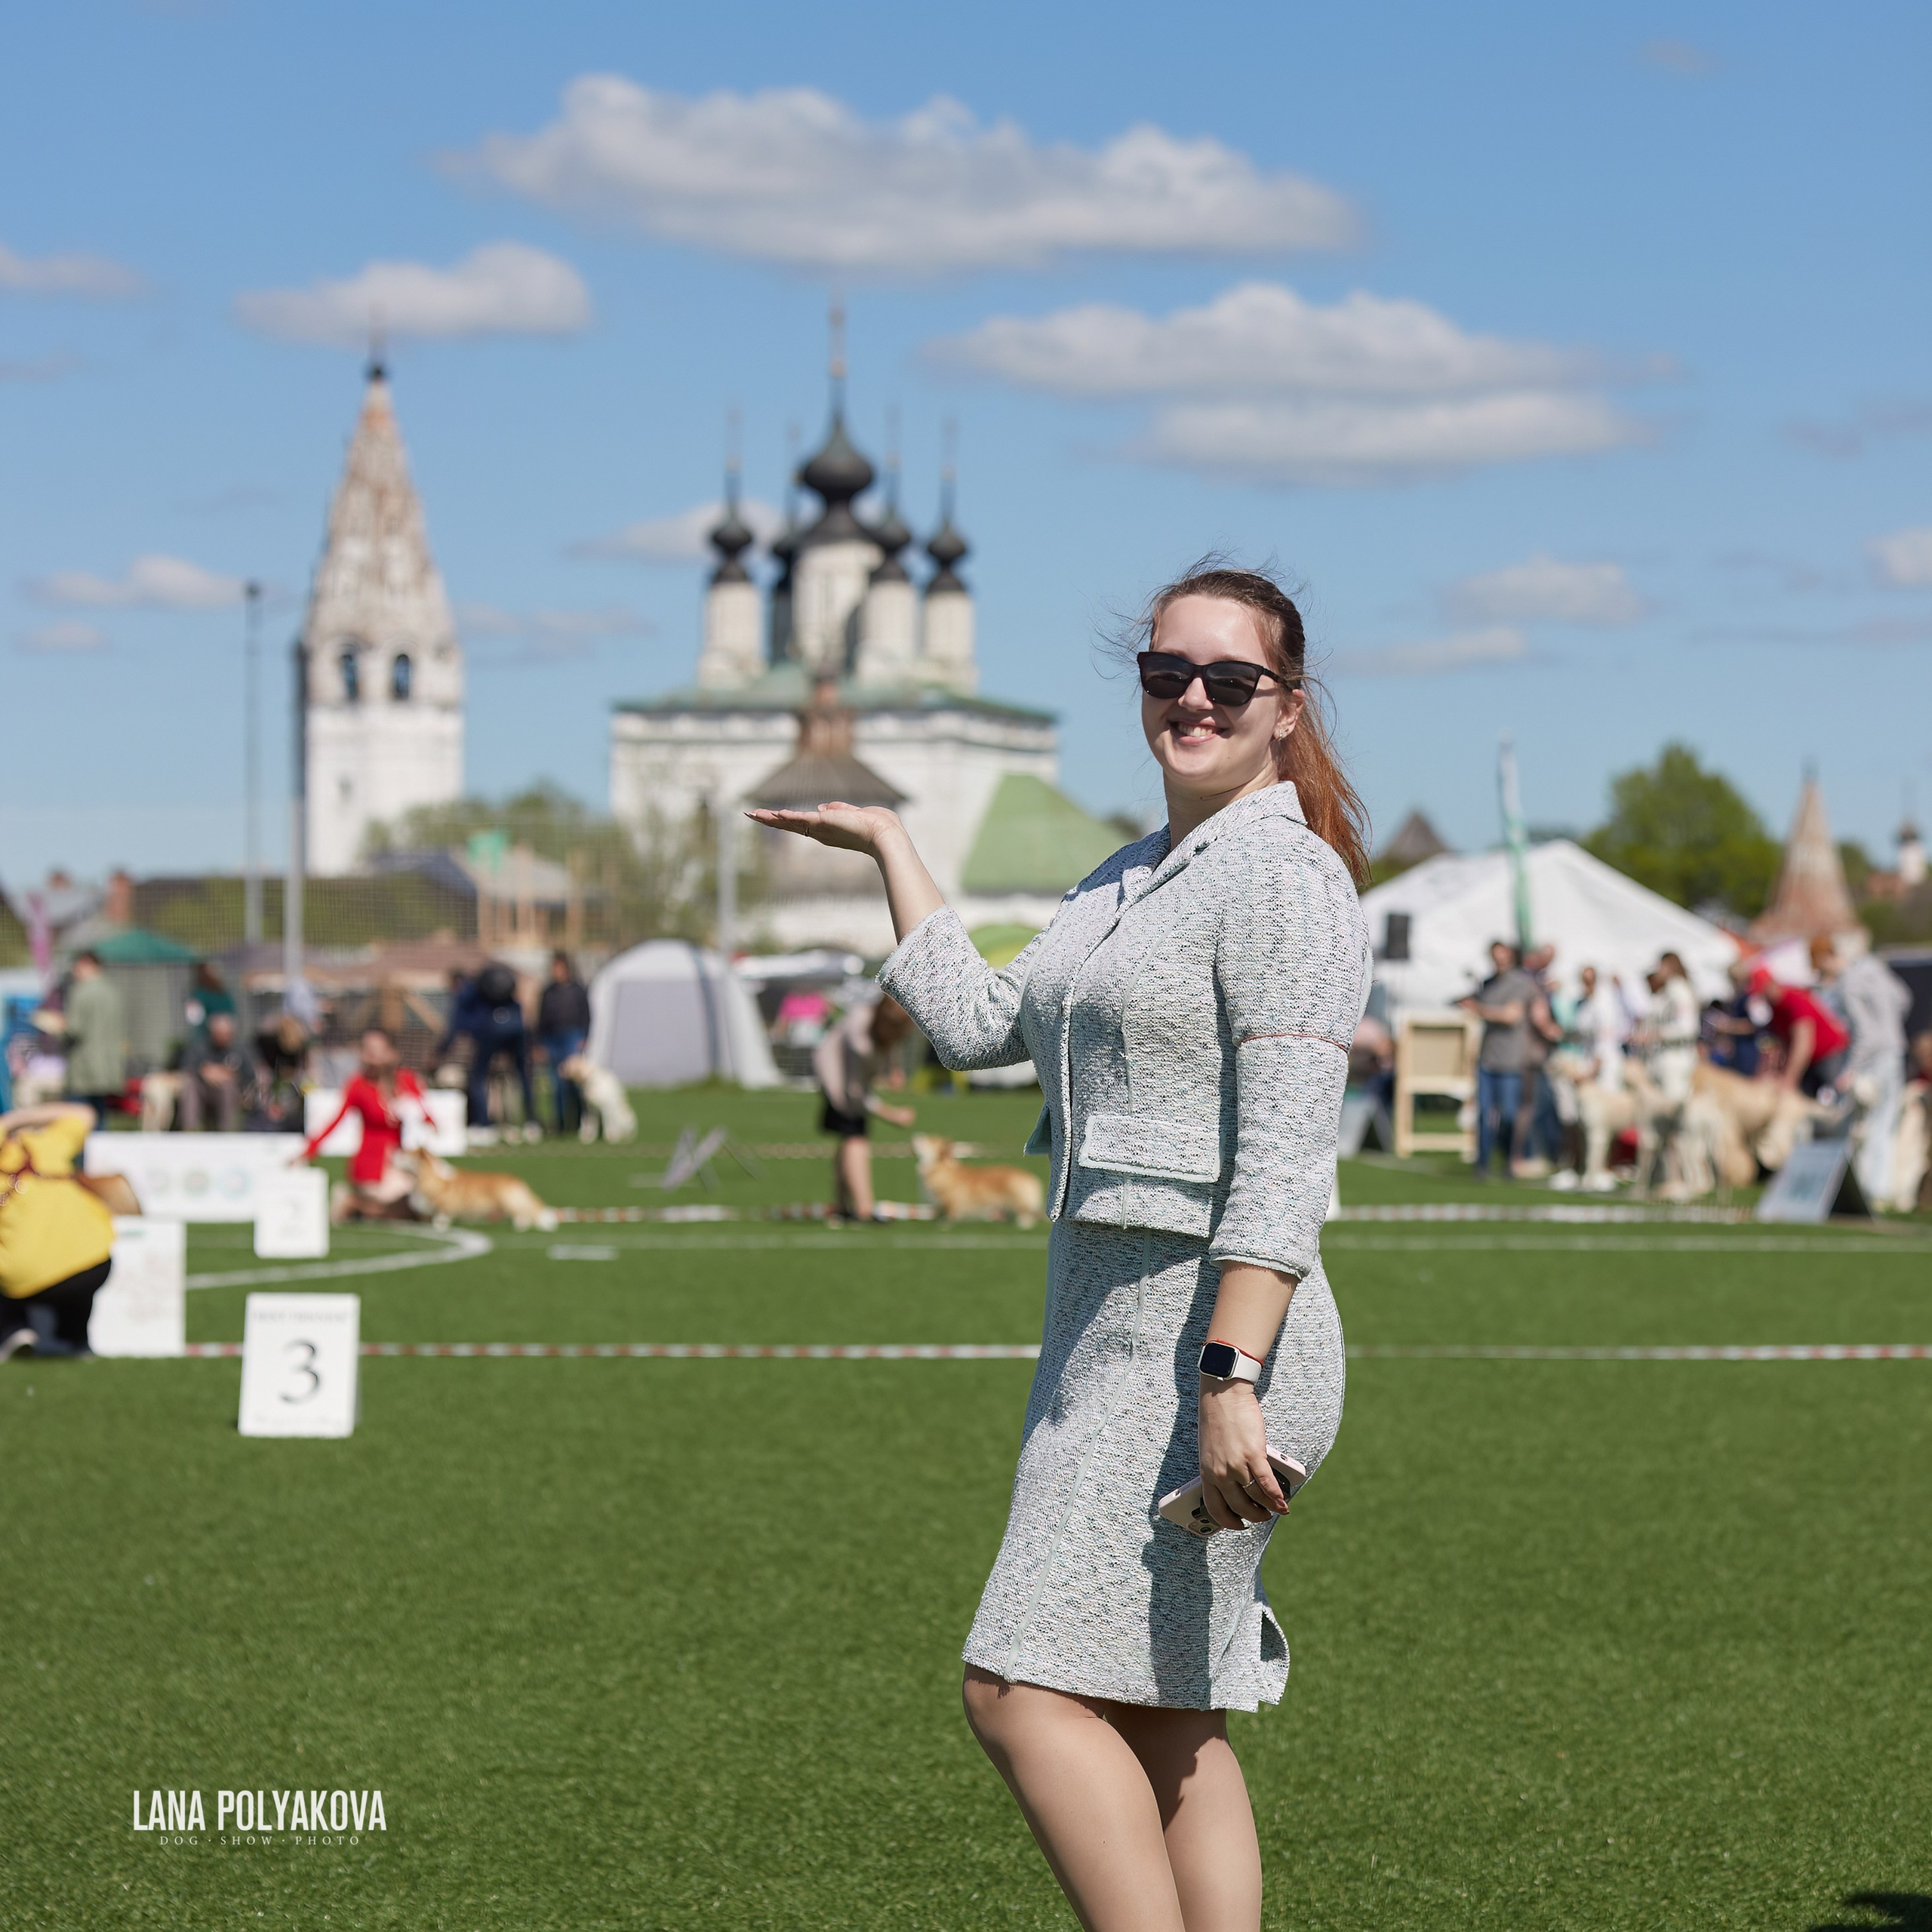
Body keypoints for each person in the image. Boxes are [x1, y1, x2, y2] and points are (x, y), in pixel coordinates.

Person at [751, 561, 1371, 1932]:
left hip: (1212, 1348)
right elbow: (976, 1026)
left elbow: (1283, 1156)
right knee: (1165, 1719)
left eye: (1229, 680)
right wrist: (891, 850)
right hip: (1113, 1339)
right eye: (1166, 675)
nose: (1192, 702)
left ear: (1285, 705)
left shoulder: (1286, 878)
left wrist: (1229, 1380)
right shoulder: (1127, 876)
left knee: (1017, 1686)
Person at [1, 1101, 116, 1360]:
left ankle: (13, 1330)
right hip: (93, 1264)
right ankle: (75, 1339)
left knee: (24, 1269)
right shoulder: (42, 1146)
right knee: (76, 1275)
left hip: (25, 1277)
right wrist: (15, 1119)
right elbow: (84, 1113)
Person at [296, 1028, 429, 1222]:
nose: (371, 1055)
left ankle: (359, 1207)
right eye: (367, 1049)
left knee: (420, 1205)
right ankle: (354, 1202)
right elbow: (335, 1121)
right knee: (407, 1202)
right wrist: (309, 1150)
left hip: (400, 1161)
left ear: (392, 1053)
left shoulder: (406, 1081)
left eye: (377, 1049)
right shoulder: (359, 1085)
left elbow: (428, 1118)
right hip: (371, 1165)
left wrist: (412, 1108)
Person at [811, 995, 917, 1220]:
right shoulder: (861, 1043)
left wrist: (893, 1068)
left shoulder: (879, 1022)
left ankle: (841, 1206)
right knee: (855, 1137)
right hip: (835, 1079)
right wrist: (892, 1115)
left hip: (850, 1080)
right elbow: (856, 1095)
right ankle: (864, 1209)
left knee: (849, 1137)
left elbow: (890, 1043)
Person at [1823, 940, 1912, 1205]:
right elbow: (1904, 998)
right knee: (1884, 1124)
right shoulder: (1880, 973)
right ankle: (1879, 1189)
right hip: (1895, 1052)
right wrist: (1890, 1025)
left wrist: (1850, 1069)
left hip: (1871, 1060)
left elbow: (1864, 1034)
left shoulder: (1849, 982)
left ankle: (1862, 1189)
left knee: (1862, 1126)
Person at [1460, 941, 1537, 1179]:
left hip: (1511, 1059)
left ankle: (1508, 1158)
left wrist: (1478, 1008)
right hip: (1487, 1058)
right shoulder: (1488, 983)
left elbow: (1511, 1016)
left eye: (1503, 956)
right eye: (1496, 957)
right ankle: (1482, 1164)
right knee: (1483, 1114)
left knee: (1509, 1115)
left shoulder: (1521, 983)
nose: (1499, 961)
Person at [438, 962, 536, 1136]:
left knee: (477, 1078)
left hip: (490, 1034)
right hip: (515, 1030)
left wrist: (442, 1050)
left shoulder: (469, 993)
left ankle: (484, 1124)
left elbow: (456, 1024)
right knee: (523, 1075)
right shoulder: (500, 995)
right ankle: (532, 1122)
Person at [1750, 961, 1849, 1097]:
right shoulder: (1776, 1008)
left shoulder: (1794, 999)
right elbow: (1781, 1044)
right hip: (1812, 1060)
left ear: (1771, 984)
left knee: (1838, 1095)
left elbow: (1803, 1044)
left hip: (1830, 1054)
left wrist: (1790, 1079)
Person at [62, 951, 126, 1122]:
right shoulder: (113, 991)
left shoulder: (81, 992)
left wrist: (58, 1027)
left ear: (86, 964)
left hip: (83, 1067)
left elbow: (73, 1030)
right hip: (108, 1064)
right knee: (100, 1116)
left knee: (76, 1118)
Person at [536, 951, 592, 1137]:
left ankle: (578, 1121)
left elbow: (586, 1015)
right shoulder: (548, 992)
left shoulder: (577, 990)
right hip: (552, 1039)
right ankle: (559, 1124)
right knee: (556, 1084)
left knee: (575, 1084)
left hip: (571, 1037)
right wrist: (540, 1043)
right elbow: (541, 1019)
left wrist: (583, 1037)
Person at [177, 1011, 255, 1132]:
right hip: (202, 1090)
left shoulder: (241, 1049)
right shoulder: (200, 1047)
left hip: (230, 1091)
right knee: (189, 1084)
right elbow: (187, 1067)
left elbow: (250, 1075)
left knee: (228, 1087)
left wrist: (230, 1074)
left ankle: (226, 1131)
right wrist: (205, 1071)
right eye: (219, 1034)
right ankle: (190, 1129)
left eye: (226, 1034)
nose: (223, 1037)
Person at [1643, 952, 1701, 1105]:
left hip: (1677, 1058)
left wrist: (1659, 1034)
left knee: (1674, 1107)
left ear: (1670, 966)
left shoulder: (1679, 989)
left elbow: (1688, 1027)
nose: (1658, 971)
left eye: (1660, 966)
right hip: (1664, 1058)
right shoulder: (1666, 991)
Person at [182, 961, 236, 1045]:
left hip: (224, 1040)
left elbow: (231, 1014)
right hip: (204, 1039)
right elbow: (194, 1019)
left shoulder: (223, 994)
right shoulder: (198, 995)